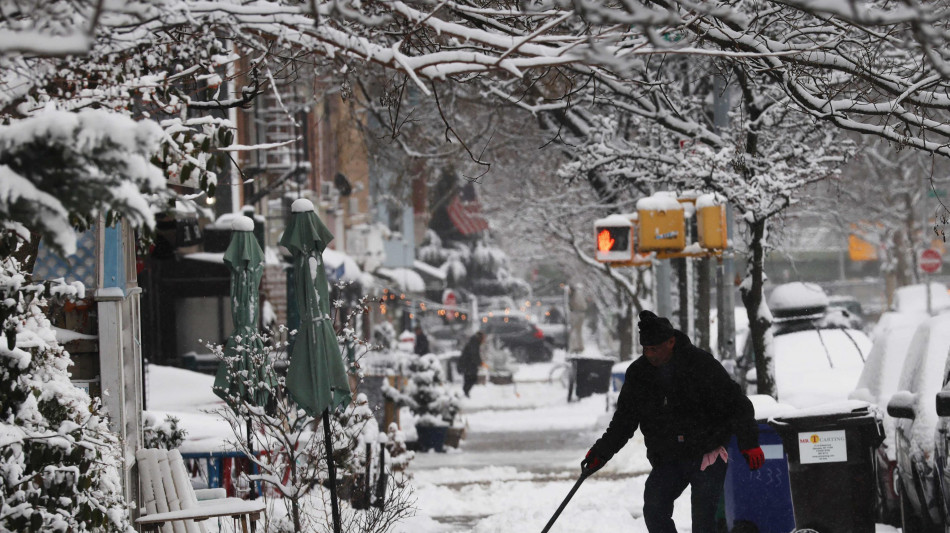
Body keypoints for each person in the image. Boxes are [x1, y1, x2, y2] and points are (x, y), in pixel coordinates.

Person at [581, 311, 763, 533]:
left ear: (671, 341)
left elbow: (737, 404)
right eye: (646, 350)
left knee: (704, 522)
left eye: (655, 349)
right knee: (655, 509)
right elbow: (624, 421)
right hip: (668, 457)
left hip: (706, 454)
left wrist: (749, 443)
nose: (650, 355)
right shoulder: (639, 374)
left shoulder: (700, 364)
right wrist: (601, 453)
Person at [457, 331, 485, 398]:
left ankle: (466, 392)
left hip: (469, 365)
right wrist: (479, 362)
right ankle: (465, 392)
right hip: (468, 365)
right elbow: (474, 355)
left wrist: (479, 362)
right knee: (471, 378)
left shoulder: (474, 342)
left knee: (469, 378)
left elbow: (475, 355)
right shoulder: (474, 343)